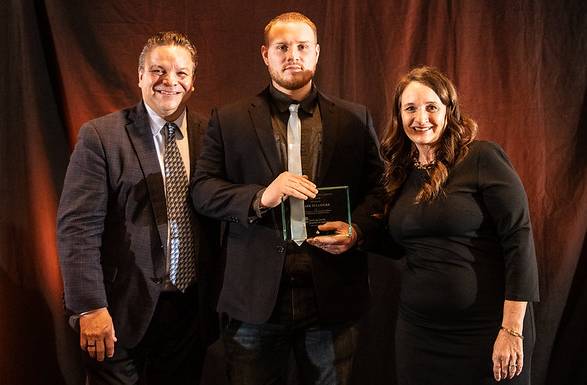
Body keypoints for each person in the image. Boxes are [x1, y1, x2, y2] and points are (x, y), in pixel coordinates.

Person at [192, 11, 383, 385]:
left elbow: (380, 189)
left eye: (301, 46)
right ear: (266, 54)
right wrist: (262, 195)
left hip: (331, 296)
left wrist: (357, 230)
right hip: (254, 303)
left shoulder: (354, 118)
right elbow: (202, 191)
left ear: (317, 53)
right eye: (282, 47)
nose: (292, 54)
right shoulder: (229, 119)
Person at [57, 31, 220, 384]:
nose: (169, 81)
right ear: (140, 76)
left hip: (191, 311)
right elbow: (77, 228)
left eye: (181, 73)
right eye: (158, 70)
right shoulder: (101, 136)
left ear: (192, 82)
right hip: (117, 311)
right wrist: (90, 306)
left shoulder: (213, 136)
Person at [378, 66, 539, 385]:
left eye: (431, 107)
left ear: (449, 111)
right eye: (409, 108)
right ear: (399, 116)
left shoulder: (481, 158)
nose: (420, 118)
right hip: (419, 335)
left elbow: (518, 241)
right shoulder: (399, 174)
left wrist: (511, 330)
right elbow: (398, 243)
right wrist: (351, 235)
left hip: (487, 330)